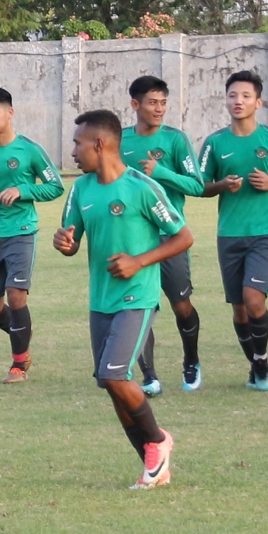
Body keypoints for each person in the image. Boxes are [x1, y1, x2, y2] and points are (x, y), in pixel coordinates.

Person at [53, 109, 192, 488]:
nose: (73, 152)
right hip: (101, 300)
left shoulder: (141, 187)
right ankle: (153, 463)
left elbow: (183, 237)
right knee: (110, 384)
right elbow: (70, 240)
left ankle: (159, 441)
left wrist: (139, 261)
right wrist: (63, 242)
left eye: (77, 144)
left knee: (115, 375)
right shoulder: (80, 189)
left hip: (137, 296)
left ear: (99, 143)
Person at [198, 69, 268, 390]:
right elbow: (201, 185)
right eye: (232, 95)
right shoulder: (215, 143)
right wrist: (221, 185)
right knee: (240, 310)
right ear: (226, 100)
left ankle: (262, 360)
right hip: (229, 233)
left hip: (265, 230)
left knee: (253, 299)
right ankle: (257, 365)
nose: (238, 101)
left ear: (258, 102)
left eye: (245, 96)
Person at [0, 87, 64, 382]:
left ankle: (18, 365)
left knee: (16, 295)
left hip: (21, 231)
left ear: (10, 113)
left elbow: (55, 186)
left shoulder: (29, 150)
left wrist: (24, 190)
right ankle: (21, 336)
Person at [120, 75, 206, 393]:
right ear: (135, 104)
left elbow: (197, 185)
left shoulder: (175, 140)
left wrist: (163, 172)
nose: (159, 109)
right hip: (133, 239)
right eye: (153, 102)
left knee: (181, 305)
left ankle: (191, 361)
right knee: (140, 307)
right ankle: (149, 377)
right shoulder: (120, 140)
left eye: (163, 102)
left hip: (170, 237)